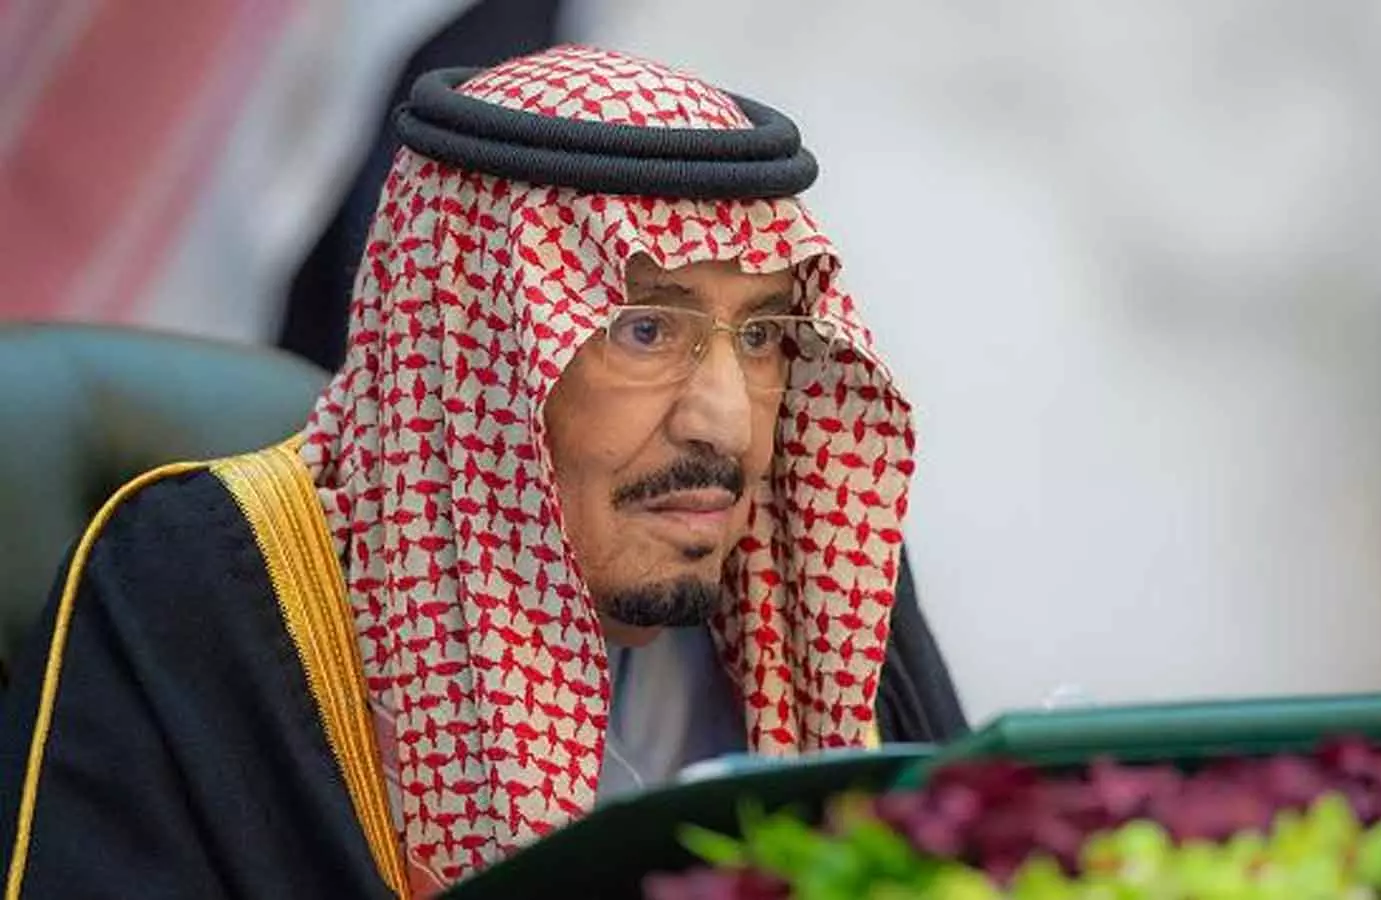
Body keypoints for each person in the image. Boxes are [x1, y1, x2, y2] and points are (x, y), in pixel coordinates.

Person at [0, 45, 957, 899]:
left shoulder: (815, 578)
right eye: (646, 330)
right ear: (475, 356)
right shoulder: (200, 584)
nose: (727, 422)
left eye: (759, 335)